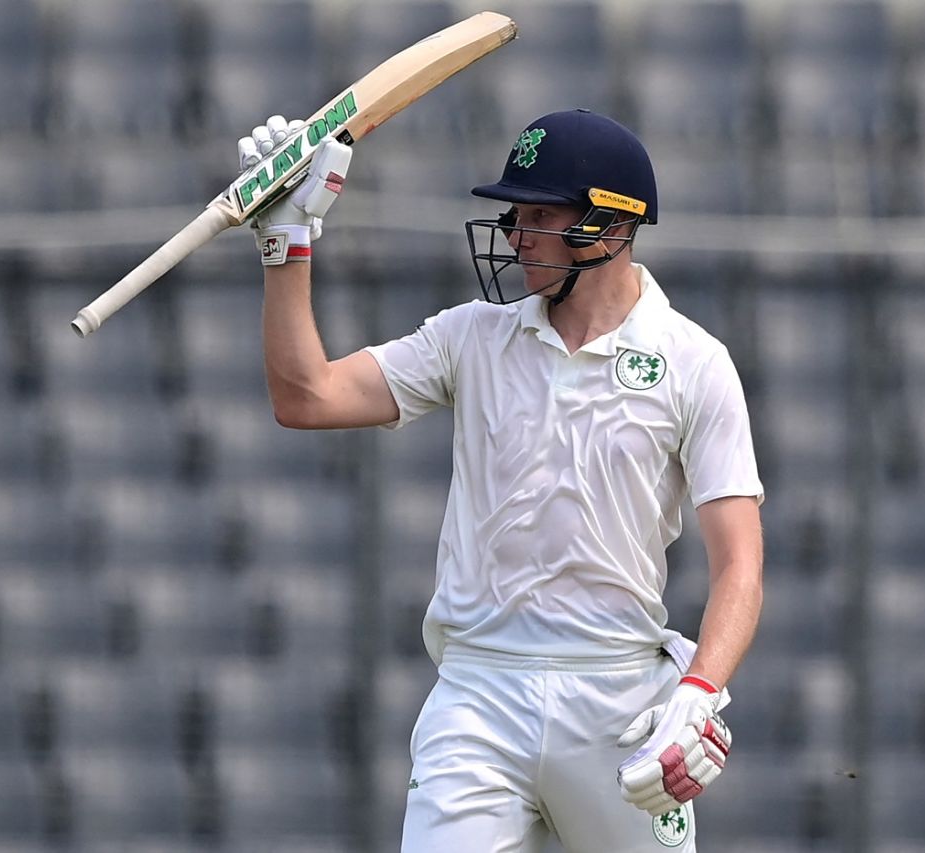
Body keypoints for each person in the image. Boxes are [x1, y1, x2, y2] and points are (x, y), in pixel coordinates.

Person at [241, 108, 764, 852]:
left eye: (539, 214)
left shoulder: (694, 362)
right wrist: (285, 243)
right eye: (515, 215)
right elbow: (306, 396)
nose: (516, 235)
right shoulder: (470, 338)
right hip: (479, 695)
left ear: (609, 227)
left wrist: (699, 692)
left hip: (619, 702)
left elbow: (740, 564)